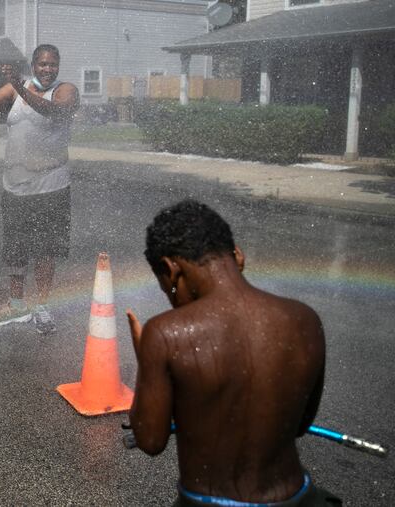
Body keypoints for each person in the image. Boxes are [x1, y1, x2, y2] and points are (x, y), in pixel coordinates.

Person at [126, 200, 341, 506]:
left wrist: (147, 364)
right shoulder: (305, 319)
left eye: (168, 291)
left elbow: (150, 439)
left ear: (171, 270)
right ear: (238, 255)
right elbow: (301, 425)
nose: (173, 302)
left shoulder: (165, 333)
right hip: (299, 499)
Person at [0, 44, 80, 334]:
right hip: (15, 186)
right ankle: (17, 305)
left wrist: (19, 86)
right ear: (33, 64)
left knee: (45, 249)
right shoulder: (17, 88)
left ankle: (42, 306)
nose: (47, 69)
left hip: (51, 187)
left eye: (52, 64)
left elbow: (54, 111)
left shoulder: (65, 90)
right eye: (42, 64)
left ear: (58, 66)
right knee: (15, 248)